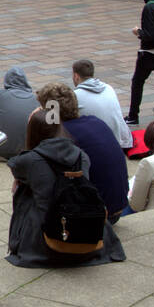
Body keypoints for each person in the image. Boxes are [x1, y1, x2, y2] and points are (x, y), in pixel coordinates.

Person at [6, 110, 125, 267]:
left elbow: (14, 165)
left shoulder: (29, 160)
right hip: (87, 231)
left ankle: (22, 242)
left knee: (23, 187)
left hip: (47, 240)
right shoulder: (81, 155)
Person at [35, 81, 129, 220]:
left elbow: (34, 168)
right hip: (118, 205)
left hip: (97, 217)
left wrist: (35, 122)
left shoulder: (62, 135)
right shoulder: (95, 121)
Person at [73, 60, 133, 149]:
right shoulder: (108, 88)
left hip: (101, 144)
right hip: (123, 141)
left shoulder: (76, 95)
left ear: (76, 76)